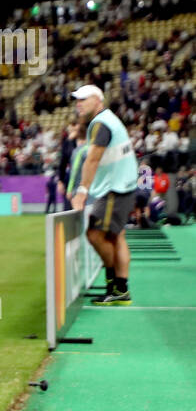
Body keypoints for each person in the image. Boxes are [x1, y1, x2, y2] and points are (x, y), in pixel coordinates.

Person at [70, 84, 137, 305]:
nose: (78, 104)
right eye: (77, 100)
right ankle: (121, 290)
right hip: (123, 185)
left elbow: (92, 159)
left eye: (83, 99)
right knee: (116, 237)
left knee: (94, 234)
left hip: (115, 189)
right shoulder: (109, 119)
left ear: (98, 100)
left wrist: (81, 192)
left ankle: (113, 284)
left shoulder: (100, 124)